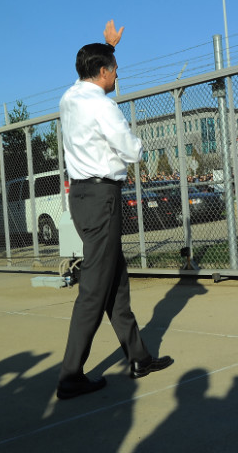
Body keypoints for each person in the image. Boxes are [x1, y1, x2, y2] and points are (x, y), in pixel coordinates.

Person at [55, 20, 173, 401]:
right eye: (115, 71)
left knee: (114, 280)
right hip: (103, 197)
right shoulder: (102, 106)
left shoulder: (70, 98)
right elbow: (130, 149)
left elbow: (91, 75)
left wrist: (110, 48)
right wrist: (140, 149)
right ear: (103, 73)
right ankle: (71, 374)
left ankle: (138, 356)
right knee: (94, 288)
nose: (116, 77)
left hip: (83, 197)